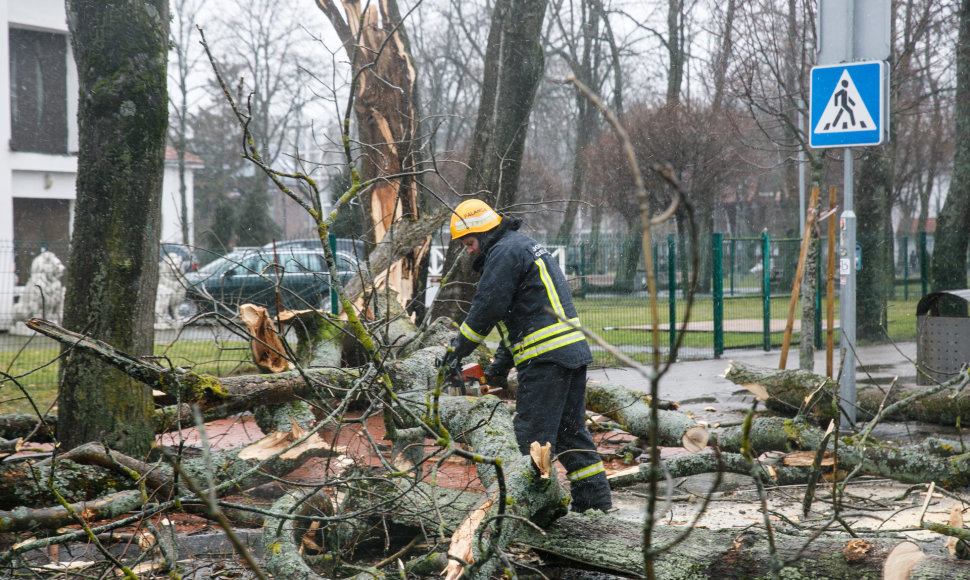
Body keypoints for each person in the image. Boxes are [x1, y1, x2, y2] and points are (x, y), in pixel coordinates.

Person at [438, 199, 612, 513]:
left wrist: (456, 351)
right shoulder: (522, 246)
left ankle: (533, 511)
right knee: (571, 433)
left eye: (469, 242)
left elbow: (487, 307)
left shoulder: (504, 253)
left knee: (531, 438)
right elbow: (518, 316)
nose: (468, 250)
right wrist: (497, 369)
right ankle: (595, 506)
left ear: (485, 233)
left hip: (545, 359)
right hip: (569, 353)